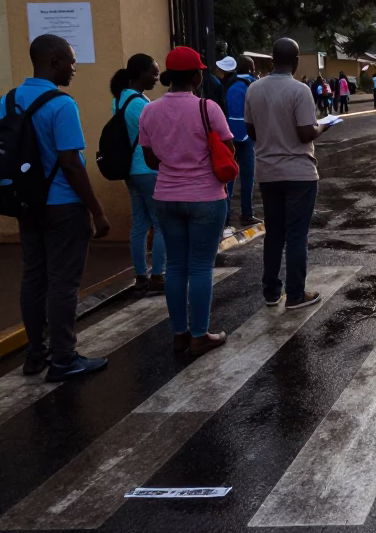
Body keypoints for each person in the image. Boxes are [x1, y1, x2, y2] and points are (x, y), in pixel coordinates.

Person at [15, 34, 111, 381]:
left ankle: (35, 353)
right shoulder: (61, 104)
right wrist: (97, 209)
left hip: (26, 205)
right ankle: (64, 358)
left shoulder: (7, 101)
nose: (74, 67)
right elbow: (71, 162)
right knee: (62, 283)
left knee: (33, 278)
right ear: (53, 61)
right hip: (63, 206)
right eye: (71, 60)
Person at [138, 46, 233, 357]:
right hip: (206, 197)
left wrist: (174, 164)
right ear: (196, 76)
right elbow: (227, 152)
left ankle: (179, 334)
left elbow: (150, 158)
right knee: (201, 266)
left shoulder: (149, 111)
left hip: (166, 196)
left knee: (175, 267)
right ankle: (200, 335)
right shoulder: (208, 109)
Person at [245, 38, 332, 311]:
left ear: (272, 60)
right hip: (299, 173)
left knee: (274, 234)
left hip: (268, 172)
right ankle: (295, 294)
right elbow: (306, 132)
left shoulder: (253, 89)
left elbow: (251, 131)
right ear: (295, 63)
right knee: (296, 235)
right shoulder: (300, 90)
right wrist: (324, 126)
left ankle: (271, 292)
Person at [110, 53, 166, 294]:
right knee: (162, 224)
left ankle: (141, 275)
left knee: (140, 224)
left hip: (131, 172)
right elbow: (157, 138)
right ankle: (158, 276)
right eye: (153, 72)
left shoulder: (120, 100)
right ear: (139, 74)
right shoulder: (142, 105)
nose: (156, 77)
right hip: (148, 170)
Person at [224, 55, 259, 231]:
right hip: (245, 137)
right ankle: (246, 213)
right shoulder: (252, 85)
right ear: (251, 68)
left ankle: (226, 215)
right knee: (247, 177)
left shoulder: (230, 84)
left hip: (229, 135)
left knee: (229, 176)